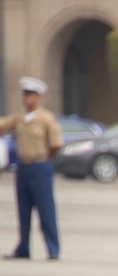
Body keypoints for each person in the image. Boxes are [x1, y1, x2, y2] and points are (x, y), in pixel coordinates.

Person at [1, 77, 63, 260]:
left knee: (46, 210)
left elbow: (56, 144)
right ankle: (23, 248)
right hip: (23, 167)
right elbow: (3, 125)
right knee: (23, 210)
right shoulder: (19, 118)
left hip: (40, 166)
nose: (26, 98)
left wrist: (45, 156)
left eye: (30, 94)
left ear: (38, 96)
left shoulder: (46, 119)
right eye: (24, 94)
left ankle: (53, 249)